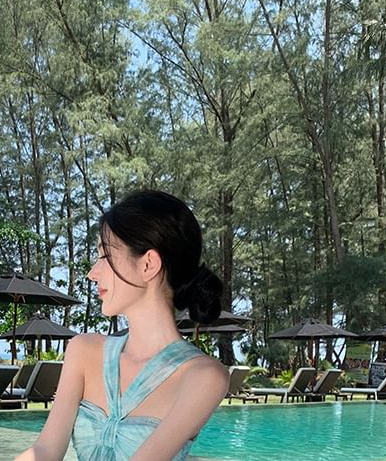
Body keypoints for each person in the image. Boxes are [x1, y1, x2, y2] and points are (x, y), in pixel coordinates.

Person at [15, 190, 229, 461]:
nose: (92, 273)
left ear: (148, 264)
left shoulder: (203, 376)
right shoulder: (83, 350)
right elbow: (45, 450)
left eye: (104, 256)